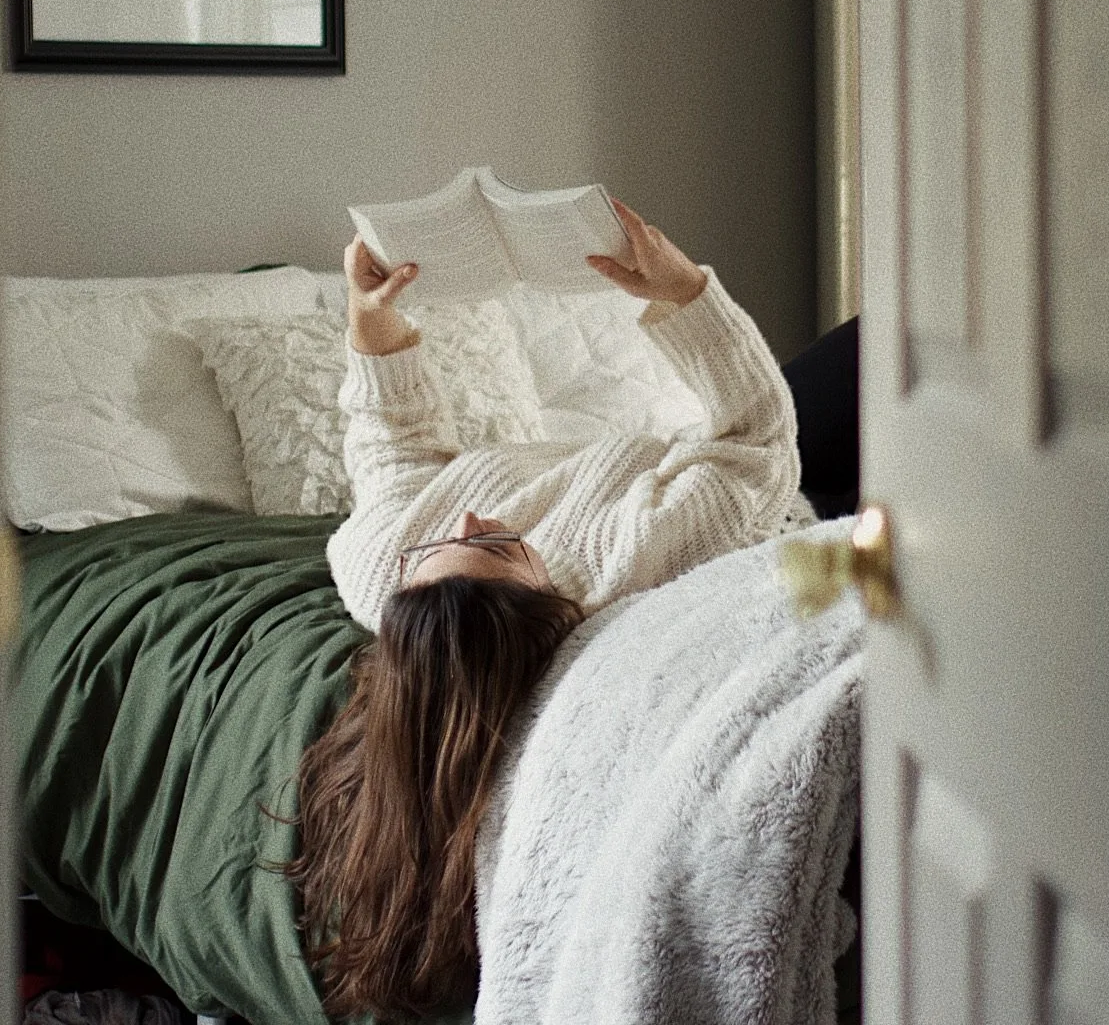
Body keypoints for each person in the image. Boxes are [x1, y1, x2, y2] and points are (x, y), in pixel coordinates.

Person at [284, 199, 813, 1021]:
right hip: (778, 495)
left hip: (651, 457)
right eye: (495, 545)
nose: (464, 520)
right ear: (544, 608)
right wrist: (683, 295)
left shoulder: (384, 569)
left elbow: (396, 452)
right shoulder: (639, 558)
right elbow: (752, 439)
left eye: (442, 545)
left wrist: (371, 324)